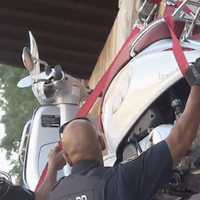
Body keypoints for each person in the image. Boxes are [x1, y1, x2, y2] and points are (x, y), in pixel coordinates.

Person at [34, 59, 200, 200]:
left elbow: (39, 197)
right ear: (101, 143)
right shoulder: (119, 181)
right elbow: (181, 139)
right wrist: (197, 82)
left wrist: (52, 169)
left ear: (68, 160)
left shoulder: (55, 194)